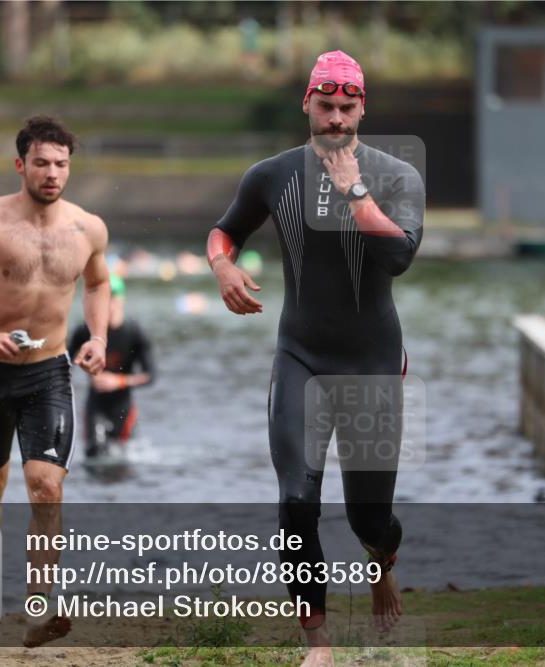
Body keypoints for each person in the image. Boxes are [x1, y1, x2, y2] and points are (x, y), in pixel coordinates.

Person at [206, 50, 424, 667]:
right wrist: (222, 264)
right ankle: (319, 643)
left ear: (363, 108)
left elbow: (399, 258)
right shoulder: (270, 175)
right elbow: (225, 231)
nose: (334, 118)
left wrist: (352, 189)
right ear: (307, 104)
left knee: (369, 517)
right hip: (300, 355)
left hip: (373, 362)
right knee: (297, 501)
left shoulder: (397, 176)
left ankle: (383, 566)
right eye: (324, 106)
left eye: (346, 107)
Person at [0, 115, 110, 647]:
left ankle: (38, 609)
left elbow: (99, 284)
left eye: (61, 164)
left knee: (47, 486)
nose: (52, 173)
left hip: (50, 373)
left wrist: (98, 338)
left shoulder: (88, 228)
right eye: (42, 163)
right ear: (21, 165)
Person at [69, 274, 155, 458]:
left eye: (112, 297)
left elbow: (151, 376)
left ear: (121, 298)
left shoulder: (134, 332)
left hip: (124, 407)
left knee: (122, 463)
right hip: (95, 405)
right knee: (94, 455)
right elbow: (64, 365)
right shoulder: (84, 331)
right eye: (103, 298)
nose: (108, 303)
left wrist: (119, 381)